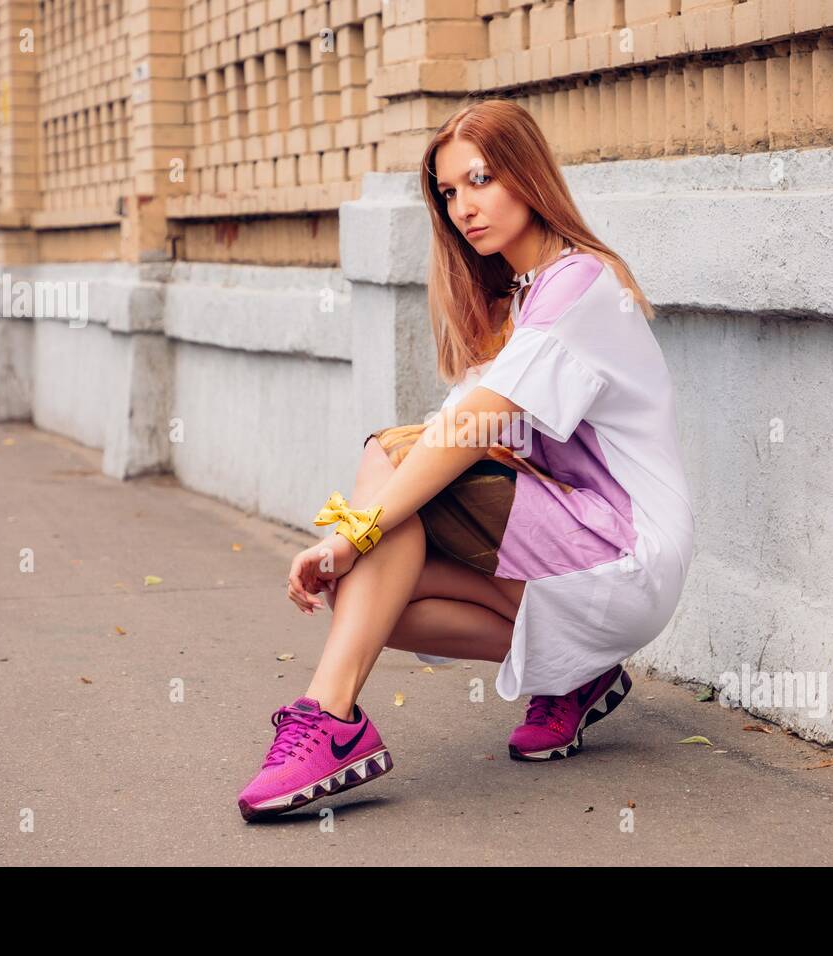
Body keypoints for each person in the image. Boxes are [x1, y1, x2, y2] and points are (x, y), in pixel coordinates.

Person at [237, 99, 696, 820]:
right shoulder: (514, 301)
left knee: (392, 460)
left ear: (528, 176)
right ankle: (575, 675)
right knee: (382, 604)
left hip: (623, 549)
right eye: (448, 193)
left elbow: (456, 438)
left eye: (480, 181)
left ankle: (328, 717)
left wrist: (350, 535)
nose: (462, 208)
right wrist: (361, 545)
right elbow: (463, 435)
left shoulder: (579, 284)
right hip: (576, 571)